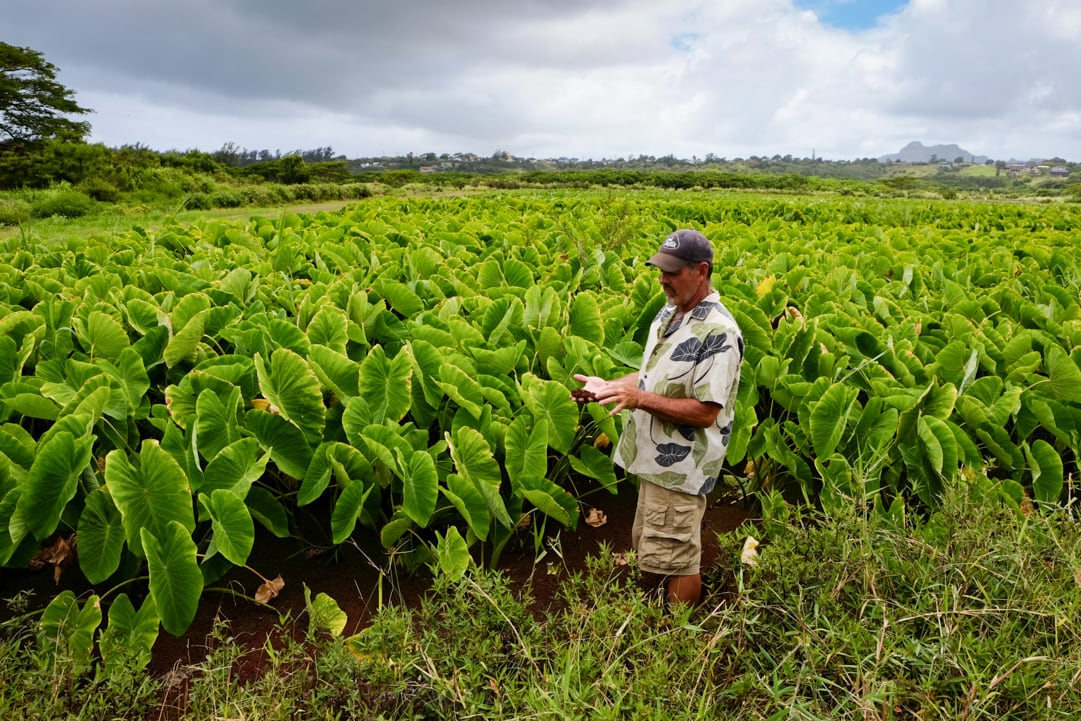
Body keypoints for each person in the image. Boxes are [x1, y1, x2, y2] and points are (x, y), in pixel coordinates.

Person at [574, 228, 743, 607]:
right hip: (653, 460)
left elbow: (705, 411)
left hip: (681, 468)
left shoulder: (718, 332)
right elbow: (655, 377)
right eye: (660, 270)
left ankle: (678, 640)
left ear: (701, 271)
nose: (663, 279)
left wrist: (636, 399)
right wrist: (612, 386)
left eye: (672, 272)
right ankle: (658, 621)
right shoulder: (672, 312)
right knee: (657, 551)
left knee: (679, 559)